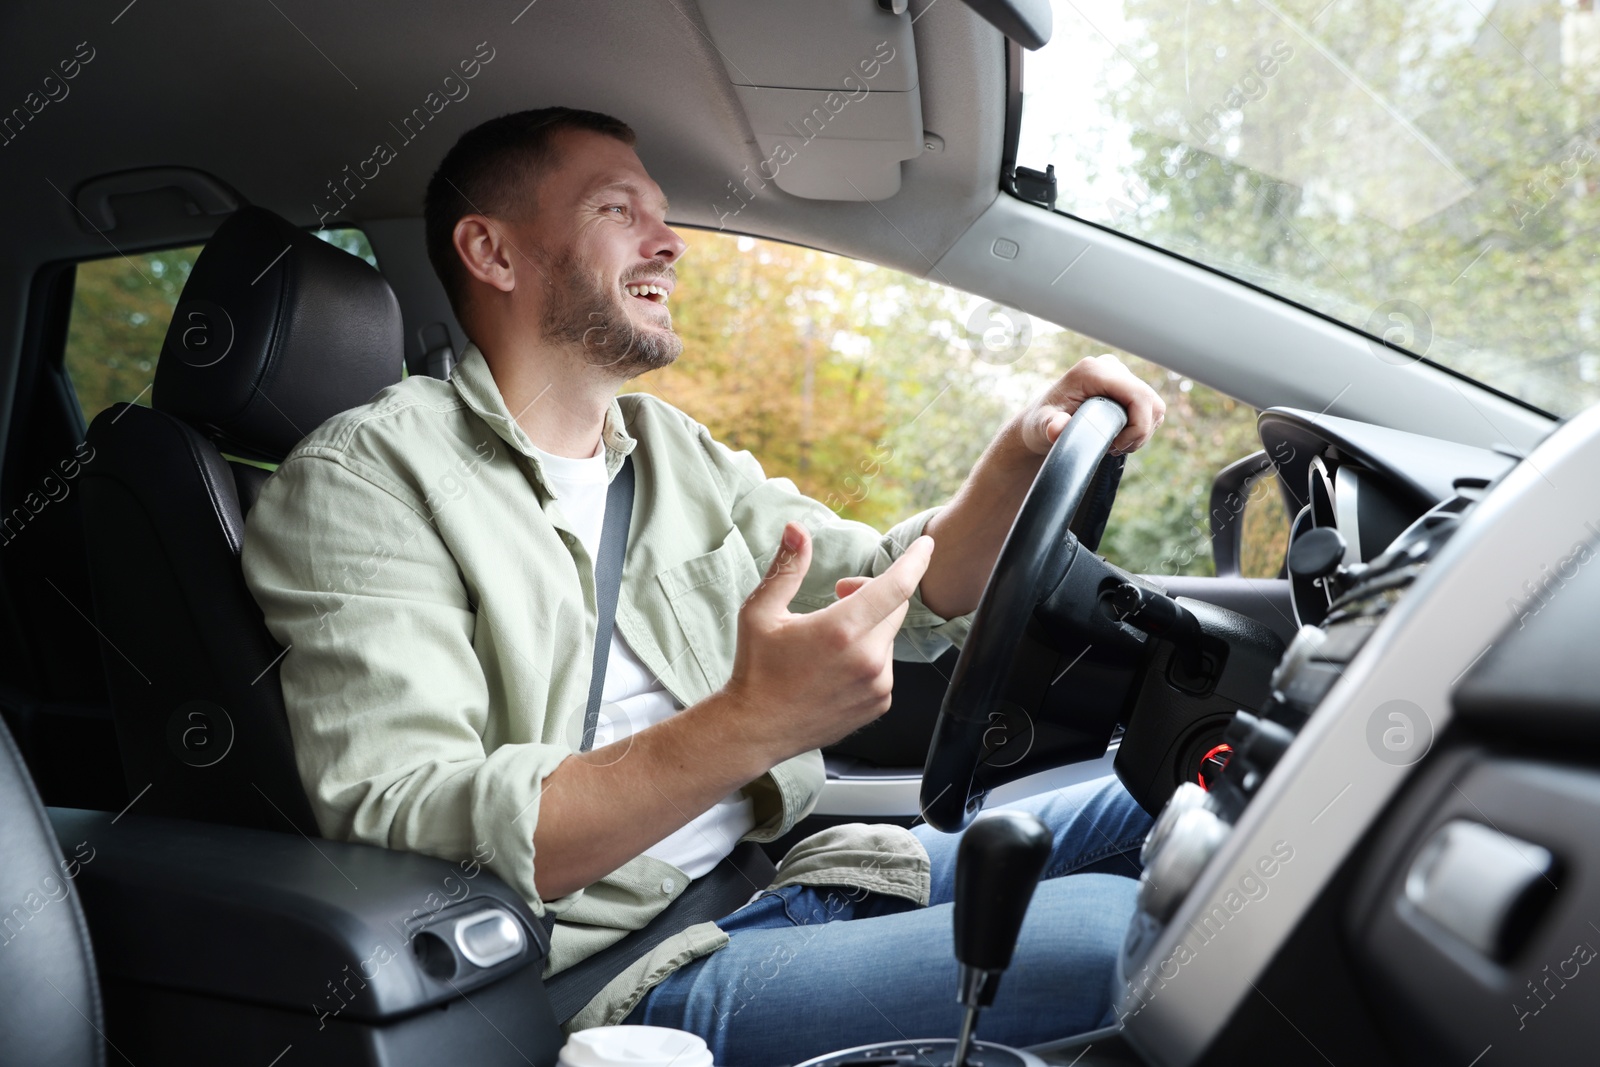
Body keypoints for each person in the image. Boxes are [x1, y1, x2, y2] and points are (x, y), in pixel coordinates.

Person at [241, 106, 1167, 1065]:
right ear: (493, 252)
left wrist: (1022, 451)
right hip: (619, 979)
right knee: (1130, 941)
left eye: (663, 213)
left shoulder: (668, 451)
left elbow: (892, 584)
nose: (669, 241)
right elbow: (414, 818)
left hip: (776, 880)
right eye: (618, 208)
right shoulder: (368, 477)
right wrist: (755, 720)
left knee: (1179, 789)